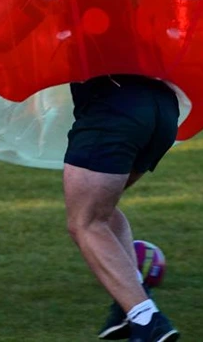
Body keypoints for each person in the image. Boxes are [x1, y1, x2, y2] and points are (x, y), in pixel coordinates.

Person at [63, 74, 180, 342]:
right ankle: (128, 304)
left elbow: (5, 43)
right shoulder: (139, 28)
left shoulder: (82, 29)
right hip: (161, 108)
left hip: (113, 111)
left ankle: (146, 319)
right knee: (101, 212)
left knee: (86, 222)